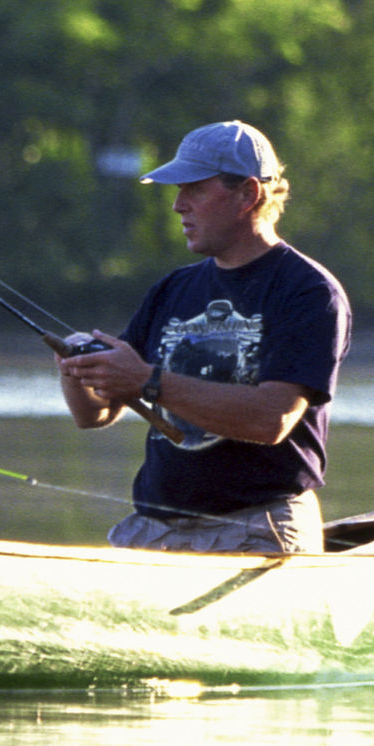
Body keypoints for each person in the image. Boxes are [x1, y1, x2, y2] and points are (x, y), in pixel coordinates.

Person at [58, 120, 349, 553]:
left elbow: (271, 420)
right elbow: (96, 415)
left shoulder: (308, 291)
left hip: (259, 526)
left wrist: (147, 380)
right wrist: (77, 367)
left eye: (194, 189)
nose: (177, 205)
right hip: (156, 527)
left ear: (249, 194)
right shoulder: (172, 289)